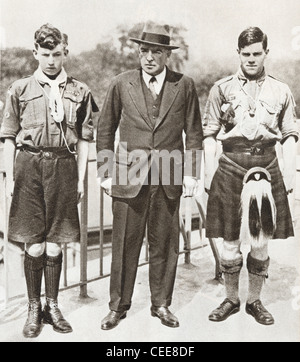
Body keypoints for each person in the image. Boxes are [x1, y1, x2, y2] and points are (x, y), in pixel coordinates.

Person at [97, 21, 203, 330]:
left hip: (169, 176)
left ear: (167, 55)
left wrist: (192, 174)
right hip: (128, 179)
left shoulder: (184, 85)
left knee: (165, 244)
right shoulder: (121, 83)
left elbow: (193, 133)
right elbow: (105, 130)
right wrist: (105, 173)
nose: (149, 58)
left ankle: (161, 304)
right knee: (124, 246)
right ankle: (118, 307)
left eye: (156, 51)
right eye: (144, 51)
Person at [0, 23, 98, 338]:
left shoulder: (80, 91)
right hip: (29, 167)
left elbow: (84, 139)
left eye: (57, 54)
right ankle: (32, 308)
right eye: (45, 54)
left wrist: (81, 179)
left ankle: (52, 305)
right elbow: (8, 139)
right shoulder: (19, 89)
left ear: (64, 52)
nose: (52, 60)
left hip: (64, 167)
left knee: (55, 244)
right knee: (33, 243)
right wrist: (10, 178)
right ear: (35, 53)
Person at [203, 27, 298, 325]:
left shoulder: (281, 90)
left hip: (267, 168)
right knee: (230, 242)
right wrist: (208, 174)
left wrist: (291, 175)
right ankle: (231, 298)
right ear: (238, 54)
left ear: (266, 53)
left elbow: (290, 136)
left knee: (260, 240)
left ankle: (255, 301)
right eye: (246, 54)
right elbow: (209, 135)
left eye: (257, 53)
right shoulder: (221, 89)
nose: (252, 59)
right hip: (231, 166)